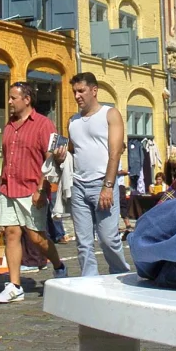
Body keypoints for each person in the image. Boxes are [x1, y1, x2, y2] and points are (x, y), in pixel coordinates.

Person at [0, 82, 67, 304]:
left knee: (36, 238)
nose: (9, 102)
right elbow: (8, 159)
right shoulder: (9, 126)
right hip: (8, 188)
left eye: (13, 97)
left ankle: (59, 266)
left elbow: (51, 160)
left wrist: (43, 189)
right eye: (9, 97)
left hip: (31, 189)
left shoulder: (44, 125)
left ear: (27, 99)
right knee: (11, 234)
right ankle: (15, 286)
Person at [58, 72, 130, 277]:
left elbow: (115, 153)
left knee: (108, 239)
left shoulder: (110, 114)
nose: (77, 95)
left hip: (102, 183)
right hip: (79, 184)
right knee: (83, 242)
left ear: (94, 90)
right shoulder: (73, 121)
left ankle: (120, 276)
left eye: (81, 91)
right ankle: (89, 282)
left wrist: (108, 186)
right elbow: (73, 150)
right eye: (74, 92)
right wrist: (59, 156)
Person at [117, 145, 133, 233]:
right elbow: (114, 171)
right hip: (117, 184)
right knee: (121, 203)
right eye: (123, 149)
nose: (124, 151)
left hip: (121, 184)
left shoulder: (118, 158)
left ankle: (127, 224)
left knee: (123, 203)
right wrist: (123, 172)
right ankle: (126, 224)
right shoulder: (114, 157)